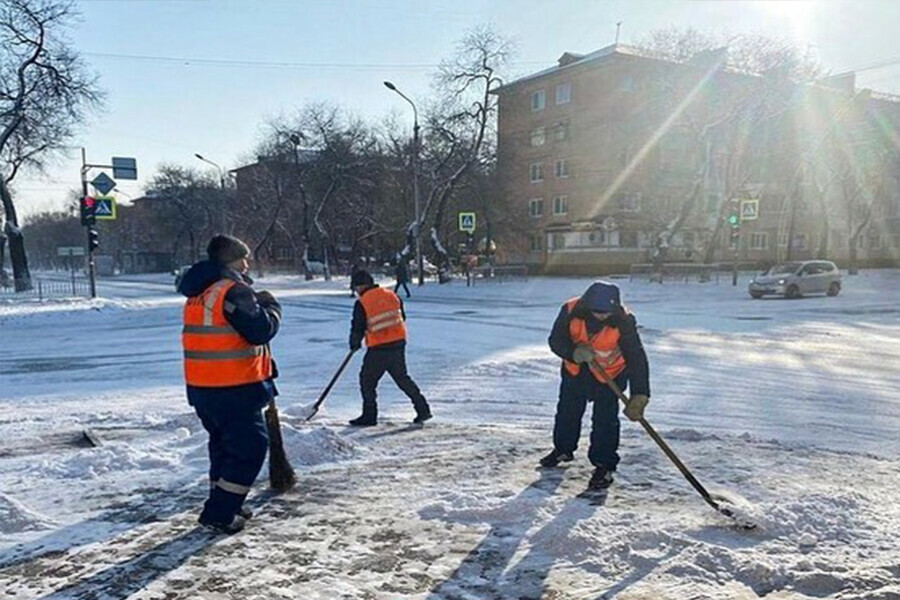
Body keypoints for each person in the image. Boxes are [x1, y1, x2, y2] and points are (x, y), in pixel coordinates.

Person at [179, 234, 282, 533]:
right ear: (233, 261)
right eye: (244, 259)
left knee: (223, 447)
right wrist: (272, 308)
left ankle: (228, 502)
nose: (248, 264)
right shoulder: (232, 291)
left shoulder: (199, 292)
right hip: (233, 387)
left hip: (203, 387)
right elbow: (260, 331)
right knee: (250, 447)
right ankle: (220, 513)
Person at [541, 281, 651, 491]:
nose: (602, 316)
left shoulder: (624, 321)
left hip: (610, 376)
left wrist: (640, 394)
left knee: (605, 421)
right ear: (587, 304)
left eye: (606, 312)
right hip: (576, 372)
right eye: (597, 311)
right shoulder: (570, 310)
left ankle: (604, 464)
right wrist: (573, 352)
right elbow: (556, 340)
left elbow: (636, 356)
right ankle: (563, 449)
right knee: (567, 413)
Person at [348, 269, 431, 426]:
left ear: (360, 286)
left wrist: (354, 343)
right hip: (398, 344)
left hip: (379, 347)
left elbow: (357, 327)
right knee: (402, 378)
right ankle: (423, 409)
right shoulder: (392, 295)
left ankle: (369, 415)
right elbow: (401, 317)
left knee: (367, 380)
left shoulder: (362, 302)